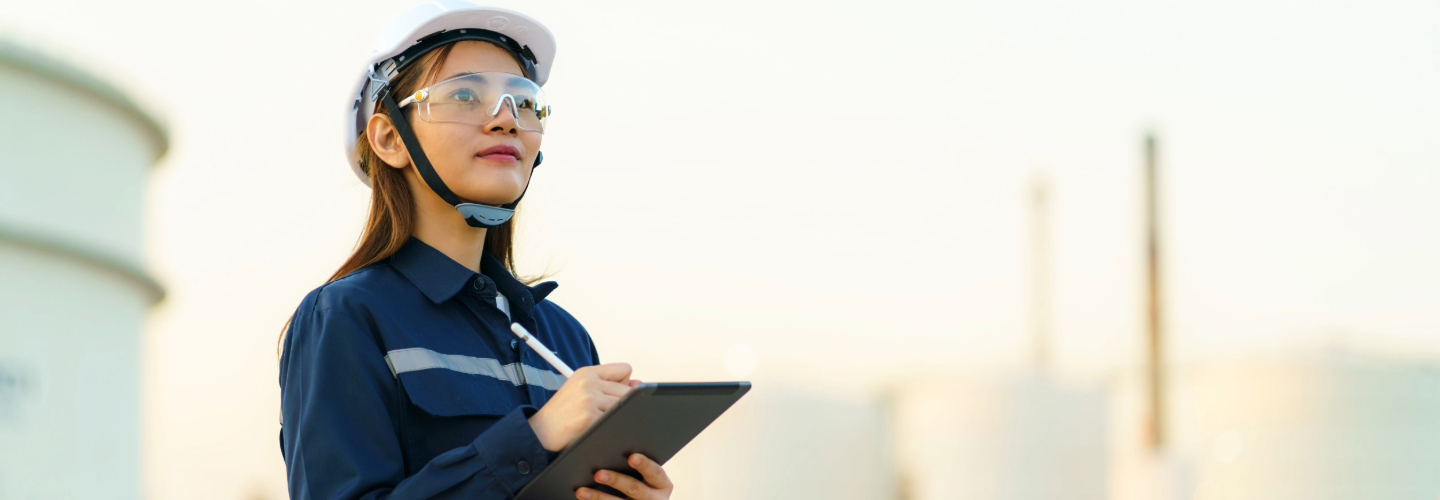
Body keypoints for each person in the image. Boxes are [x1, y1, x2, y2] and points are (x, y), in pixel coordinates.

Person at [277, 2, 674, 499]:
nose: (505, 120)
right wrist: (536, 437)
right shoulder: (346, 317)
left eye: (523, 102)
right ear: (389, 138)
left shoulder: (567, 340)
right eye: (464, 95)